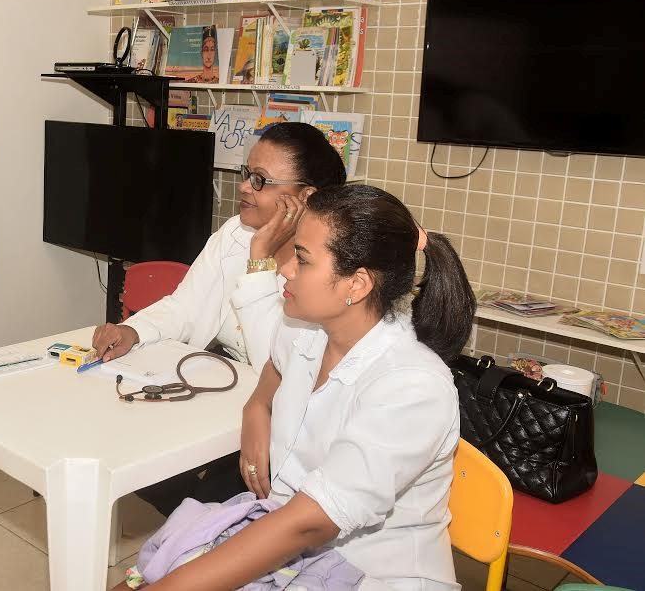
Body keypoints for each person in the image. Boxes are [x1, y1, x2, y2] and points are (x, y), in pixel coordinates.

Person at [117, 184, 476, 590]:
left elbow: (309, 525)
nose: (285, 269)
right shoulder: (306, 329)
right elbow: (275, 366)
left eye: (302, 260)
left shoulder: (412, 387)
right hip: (294, 544)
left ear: (356, 285)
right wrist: (256, 409)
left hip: (370, 570)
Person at [92, 122, 347, 514]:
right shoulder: (236, 234)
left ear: (305, 197)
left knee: (210, 505)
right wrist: (133, 329)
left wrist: (261, 258)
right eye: (247, 174)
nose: (244, 186)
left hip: (291, 423)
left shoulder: (327, 267)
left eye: (261, 180)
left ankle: (210, 538)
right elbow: (186, 306)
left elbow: (278, 368)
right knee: (138, 463)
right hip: (232, 402)